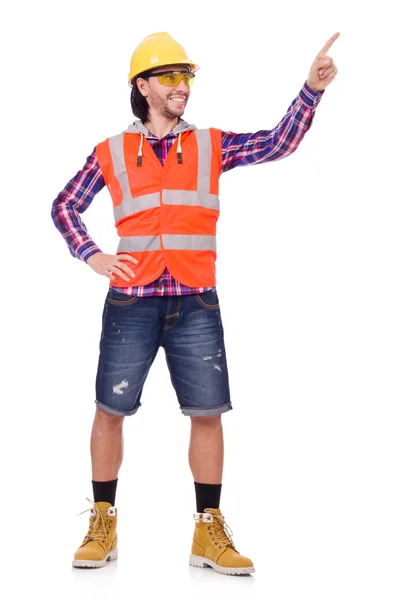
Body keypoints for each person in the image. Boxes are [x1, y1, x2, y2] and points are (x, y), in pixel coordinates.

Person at [51, 31, 339, 575]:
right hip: (130, 303)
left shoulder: (210, 144)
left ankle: (208, 532)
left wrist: (310, 90)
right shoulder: (112, 151)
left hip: (195, 303)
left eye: (187, 77)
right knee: (110, 411)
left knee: (208, 414)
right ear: (143, 86)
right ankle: (103, 521)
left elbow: (278, 142)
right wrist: (91, 255)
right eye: (170, 77)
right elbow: (65, 205)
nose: (182, 86)